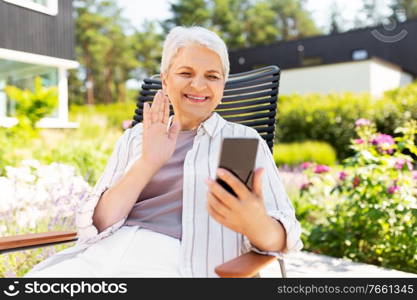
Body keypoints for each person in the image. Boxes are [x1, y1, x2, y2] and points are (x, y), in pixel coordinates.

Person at [25, 26, 302, 278]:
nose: (198, 85)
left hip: (180, 262)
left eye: (212, 76)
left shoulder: (241, 141)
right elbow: (97, 224)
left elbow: (284, 237)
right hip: (103, 255)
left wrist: (257, 223)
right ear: (165, 80)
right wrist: (148, 162)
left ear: (222, 85)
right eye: (185, 73)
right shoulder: (136, 137)